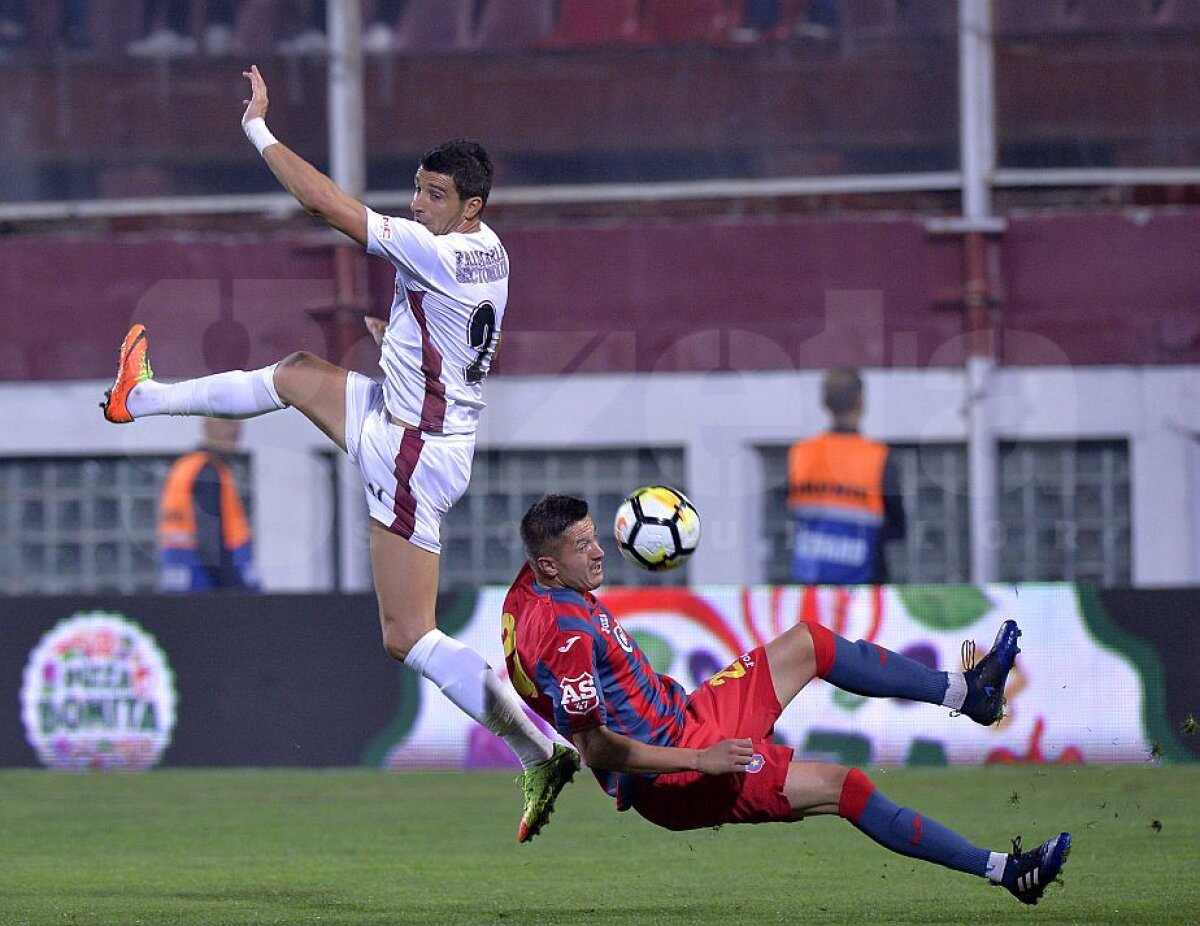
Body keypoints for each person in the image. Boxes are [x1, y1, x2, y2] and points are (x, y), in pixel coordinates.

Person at [100, 64, 578, 842]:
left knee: (407, 634)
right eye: (416, 189)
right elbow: (453, 337)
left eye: (434, 196)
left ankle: (537, 748)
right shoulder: (491, 249)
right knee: (294, 374)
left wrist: (257, 128)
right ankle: (139, 398)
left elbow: (323, 204)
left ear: (472, 208)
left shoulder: (442, 253)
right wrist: (403, 348)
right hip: (406, 416)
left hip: (413, 451)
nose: (417, 205)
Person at [502, 494, 1072, 906]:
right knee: (845, 788)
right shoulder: (566, 635)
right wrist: (700, 760)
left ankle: (968, 692)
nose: (601, 553)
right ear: (549, 563)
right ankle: (1007, 873)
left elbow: (522, 661)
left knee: (810, 643)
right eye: (584, 547)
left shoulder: (533, 588)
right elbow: (597, 750)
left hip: (686, 716)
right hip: (676, 774)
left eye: (596, 536)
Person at [787, 367, 906, 584]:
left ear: (824, 403)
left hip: (810, 588)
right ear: (861, 402)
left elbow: (790, 513)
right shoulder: (879, 457)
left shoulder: (800, 454)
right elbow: (898, 529)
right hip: (864, 590)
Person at [158, 417, 259, 592]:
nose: (235, 430)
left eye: (238, 422)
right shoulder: (208, 472)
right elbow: (211, 545)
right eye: (227, 422)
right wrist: (237, 590)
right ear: (206, 424)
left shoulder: (184, 468)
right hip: (207, 587)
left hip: (182, 585)